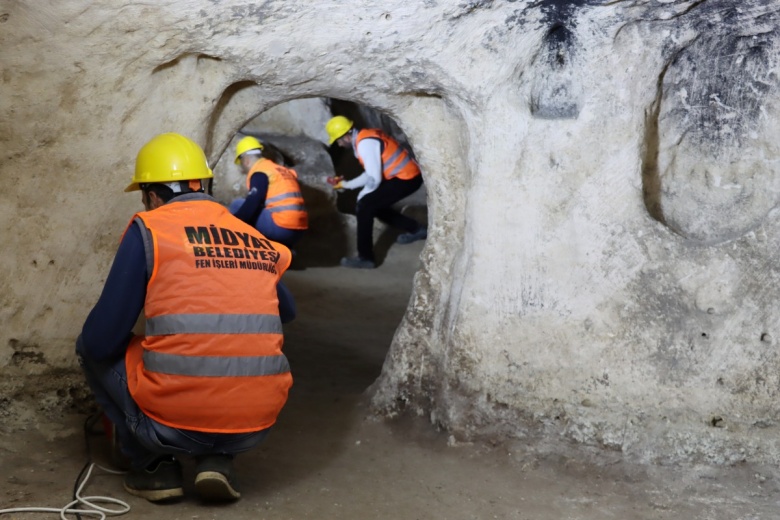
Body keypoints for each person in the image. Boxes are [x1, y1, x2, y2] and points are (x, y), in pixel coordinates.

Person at [76, 133, 296, 504]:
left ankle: (152, 465)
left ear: (152, 195)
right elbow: (286, 311)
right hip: (254, 425)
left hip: (172, 425)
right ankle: (218, 458)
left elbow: (101, 340)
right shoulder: (254, 237)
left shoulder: (150, 230)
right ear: (204, 186)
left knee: (89, 345)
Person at [324, 116, 427, 269]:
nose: (338, 144)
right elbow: (371, 172)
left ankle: (365, 258)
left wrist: (362, 197)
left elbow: (374, 178)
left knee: (365, 206)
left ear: (346, 135)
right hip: (404, 175)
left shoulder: (365, 144)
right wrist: (347, 184)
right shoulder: (364, 137)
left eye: (338, 140)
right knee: (374, 206)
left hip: (407, 178)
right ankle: (417, 229)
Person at [230, 136, 308, 248]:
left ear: (246, 161)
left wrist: (229, 224)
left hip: (282, 227)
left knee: (238, 205)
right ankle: (283, 251)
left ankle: (251, 253)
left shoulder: (260, 172)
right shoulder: (280, 170)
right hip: (299, 230)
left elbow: (251, 205)